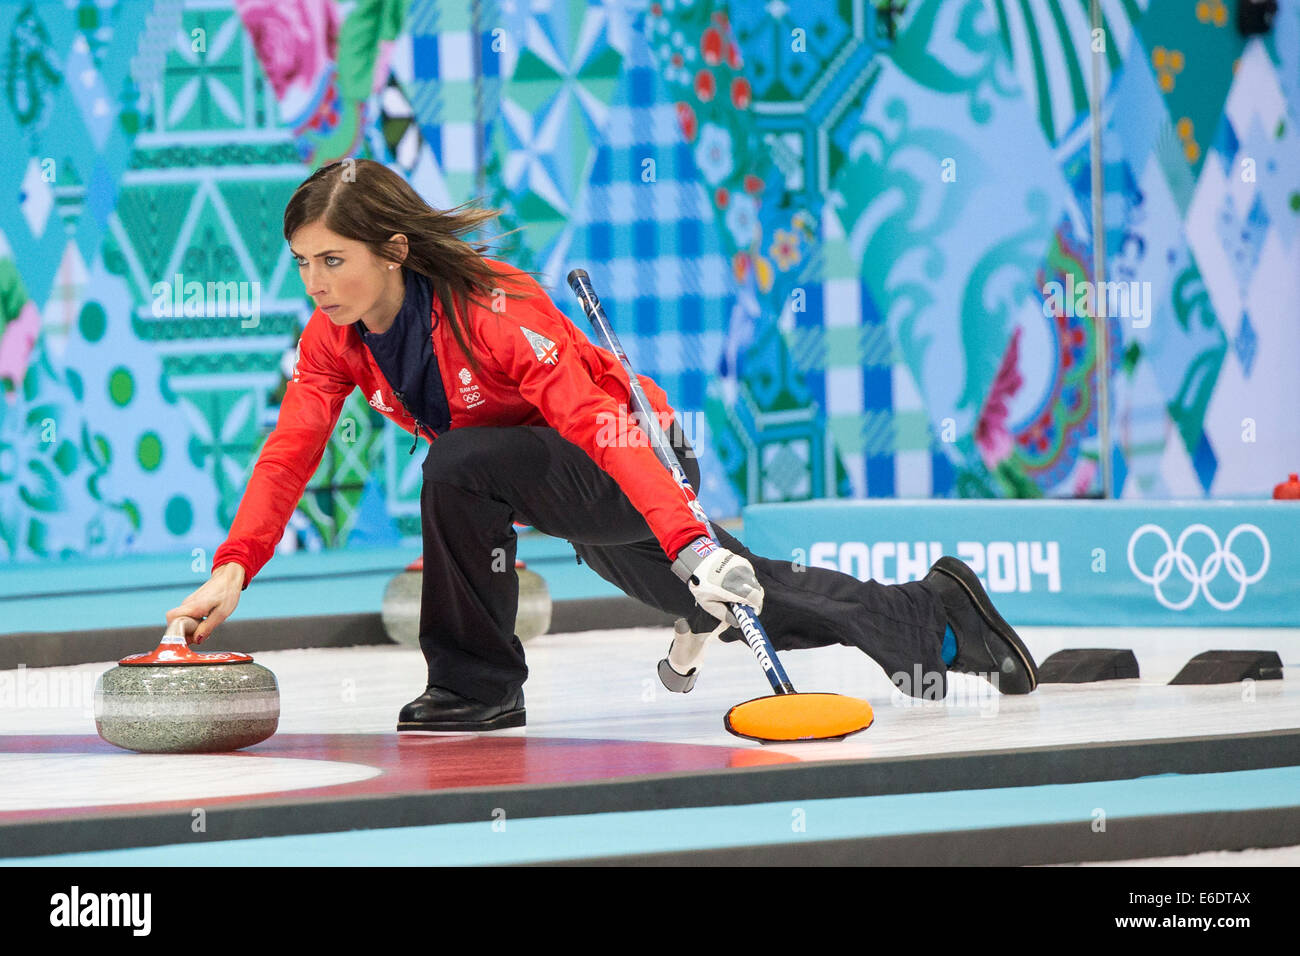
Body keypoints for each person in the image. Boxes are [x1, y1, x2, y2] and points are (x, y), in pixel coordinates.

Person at [167, 159, 1039, 733]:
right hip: (555, 485)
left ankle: (477, 685)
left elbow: (595, 421)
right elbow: (290, 451)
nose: (316, 284)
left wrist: (687, 535)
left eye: (333, 260)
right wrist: (234, 565)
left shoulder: (491, 309)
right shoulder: (338, 338)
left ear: (394, 250)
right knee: (736, 602)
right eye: (302, 264)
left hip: (634, 456)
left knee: (460, 467)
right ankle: (936, 621)